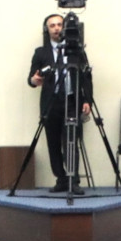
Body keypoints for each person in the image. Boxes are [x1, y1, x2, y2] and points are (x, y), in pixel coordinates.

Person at [28, 13, 91, 190]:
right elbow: (31, 78)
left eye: (59, 24)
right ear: (47, 30)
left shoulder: (77, 51)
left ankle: (73, 181)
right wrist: (34, 80)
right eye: (52, 25)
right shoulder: (41, 53)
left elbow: (86, 78)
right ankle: (61, 179)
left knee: (71, 142)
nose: (56, 28)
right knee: (53, 144)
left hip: (72, 101)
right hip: (51, 103)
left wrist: (87, 100)